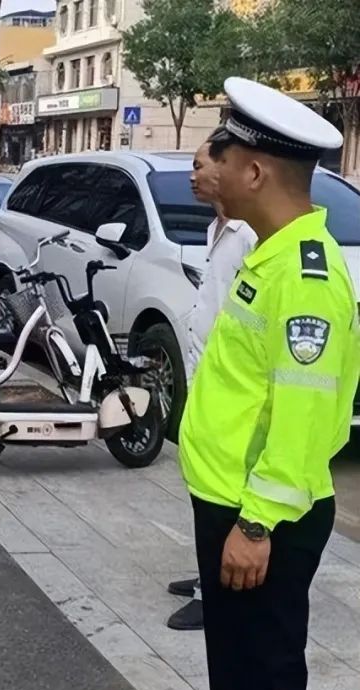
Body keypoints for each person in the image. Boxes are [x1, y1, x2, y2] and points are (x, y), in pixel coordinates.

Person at [172, 77, 360, 690]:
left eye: (222, 152)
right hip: (231, 500)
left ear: (254, 172)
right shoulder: (269, 252)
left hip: (264, 514)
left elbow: (304, 418)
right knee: (235, 668)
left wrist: (256, 523)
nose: (205, 162)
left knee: (267, 678)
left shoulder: (306, 278)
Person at [165, 142, 257, 631]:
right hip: (206, 374)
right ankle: (207, 570)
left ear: (230, 168)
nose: (193, 176)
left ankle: (216, 590)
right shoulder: (214, 227)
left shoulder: (249, 234)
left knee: (227, 491)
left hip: (232, 387)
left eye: (200, 166)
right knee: (203, 488)